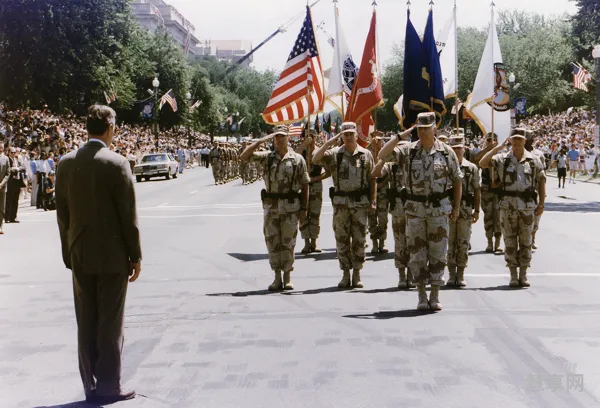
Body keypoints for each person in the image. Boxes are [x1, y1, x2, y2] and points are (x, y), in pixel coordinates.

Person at [56, 105, 141, 404]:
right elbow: (127, 215)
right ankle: (108, 384)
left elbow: (62, 214)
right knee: (110, 321)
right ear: (109, 127)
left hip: (79, 251)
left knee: (86, 318)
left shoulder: (66, 163)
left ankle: (89, 383)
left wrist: (68, 251)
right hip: (113, 254)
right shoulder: (117, 163)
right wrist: (135, 255)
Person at [378, 112, 462, 311]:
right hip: (415, 211)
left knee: (438, 253)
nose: (424, 131)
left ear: (435, 129)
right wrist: (401, 136)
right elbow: (382, 155)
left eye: (428, 127)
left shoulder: (446, 152)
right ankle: (421, 296)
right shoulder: (408, 151)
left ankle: (435, 295)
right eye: (420, 127)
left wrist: (456, 207)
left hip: (439, 210)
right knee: (417, 253)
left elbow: (457, 179)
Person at [240, 125, 309, 291]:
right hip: (272, 208)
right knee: (273, 243)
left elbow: (305, 185)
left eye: (282, 136)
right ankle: (277, 277)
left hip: (291, 208)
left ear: (288, 138)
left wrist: (304, 209)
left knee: (289, 243)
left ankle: (288, 276)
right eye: (276, 137)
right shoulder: (267, 157)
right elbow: (244, 156)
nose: (279, 139)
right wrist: (261, 141)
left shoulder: (298, 159)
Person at [479, 128, 546, 288]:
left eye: (520, 139)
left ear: (525, 140)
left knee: (526, 241)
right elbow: (482, 163)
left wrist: (541, 204)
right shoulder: (502, 159)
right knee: (509, 240)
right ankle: (513, 275)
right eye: (514, 139)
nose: (517, 142)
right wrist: (496, 148)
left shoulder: (534, 160)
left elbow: (541, 182)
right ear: (510, 140)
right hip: (507, 205)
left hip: (527, 206)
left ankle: (523, 273)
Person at [313, 122, 376, 289]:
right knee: (342, 239)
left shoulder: (365, 154)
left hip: (360, 203)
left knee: (359, 239)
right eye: (345, 134)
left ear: (356, 135)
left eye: (351, 134)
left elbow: (372, 178)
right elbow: (315, 158)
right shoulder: (335, 154)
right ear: (341, 135)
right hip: (341, 204)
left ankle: (357, 273)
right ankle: (345, 273)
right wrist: (328, 142)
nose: (348, 137)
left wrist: (373, 200)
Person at [372, 130, 415, 288]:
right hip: (397, 207)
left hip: (412, 207)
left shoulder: (414, 164)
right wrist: (383, 160)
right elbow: (375, 174)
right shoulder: (391, 166)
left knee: (413, 242)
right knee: (400, 242)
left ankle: (411, 274)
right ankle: (402, 276)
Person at [446, 135, 481, 288]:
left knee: (463, 242)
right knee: (450, 242)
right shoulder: (445, 167)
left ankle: (460, 274)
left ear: (464, 149)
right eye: (454, 149)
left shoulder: (471, 168)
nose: (457, 151)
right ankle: (451, 274)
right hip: (448, 208)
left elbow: (477, 190)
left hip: (466, 209)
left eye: (459, 148)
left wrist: (477, 210)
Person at [295, 130, 330, 254]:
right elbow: (292, 159)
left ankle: (314, 242)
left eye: (312, 137)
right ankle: (306, 243)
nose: (310, 139)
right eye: (307, 136)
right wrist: (304, 145)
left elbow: (328, 171)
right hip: (302, 187)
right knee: (303, 215)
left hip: (315, 185)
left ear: (316, 138)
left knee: (315, 214)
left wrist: (316, 178)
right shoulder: (301, 152)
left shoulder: (319, 152)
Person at [477, 133, 503, 253]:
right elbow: (476, 160)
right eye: (488, 140)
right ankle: (489, 242)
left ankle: (497, 243)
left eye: (493, 140)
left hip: (498, 189)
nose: (491, 142)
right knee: (488, 216)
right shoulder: (484, 154)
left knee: (498, 217)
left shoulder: (501, 155)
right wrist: (488, 150)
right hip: (486, 188)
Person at [367, 132, 390, 254]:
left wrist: (382, 183)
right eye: (376, 140)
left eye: (380, 140)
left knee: (383, 219)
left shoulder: (386, 155)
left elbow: (389, 173)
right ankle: (374, 244)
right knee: (372, 219)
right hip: (371, 191)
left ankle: (382, 243)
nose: (378, 142)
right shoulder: (368, 154)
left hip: (383, 191)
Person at [5, 147, 25, 224]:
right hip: (11, 181)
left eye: (14, 152)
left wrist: (17, 169)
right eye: (12, 152)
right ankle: (7, 217)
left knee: (15, 200)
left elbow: (22, 167)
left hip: (17, 181)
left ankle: (13, 217)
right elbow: (9, 169)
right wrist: (15, 169)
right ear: (8, 153)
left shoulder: (17, 160)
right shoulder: (7, 160)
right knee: (9, 199)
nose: (13, 154)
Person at [0, 144, 9, 234]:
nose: (0, 149)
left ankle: (0, 226)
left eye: (1, 147)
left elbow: (8, 173)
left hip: (2, 187)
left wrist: (1, 184)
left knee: (1, 208)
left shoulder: (5, 159)